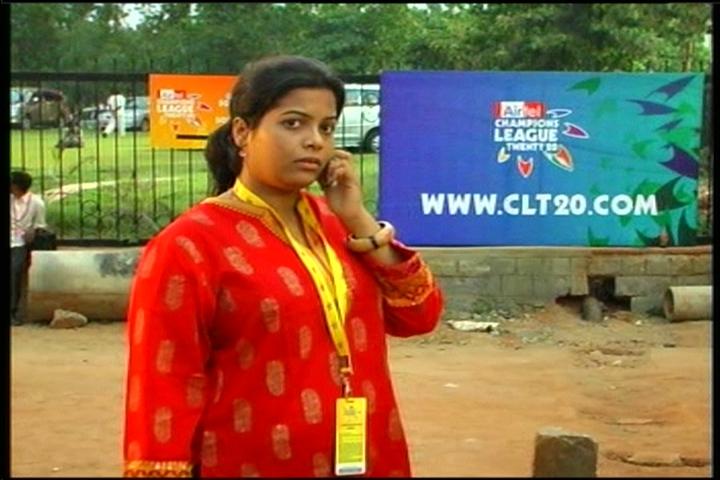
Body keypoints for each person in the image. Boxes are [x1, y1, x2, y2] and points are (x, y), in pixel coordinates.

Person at [122, 55, 444, 478]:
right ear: (242, 132)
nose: (314, 141)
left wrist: (357, 218)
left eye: (326, 127)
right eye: (294, 123)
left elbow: (420, 314)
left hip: (366, 455)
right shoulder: (189, 244)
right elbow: (164, 380)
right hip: (250, 461)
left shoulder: (337, 225)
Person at [10, 170, 47, 326]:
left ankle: (13, 311)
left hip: (20, 242)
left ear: (17, 187)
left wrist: (32, 232)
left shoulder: (36, 203)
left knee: (15, 270)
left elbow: (40, 225)